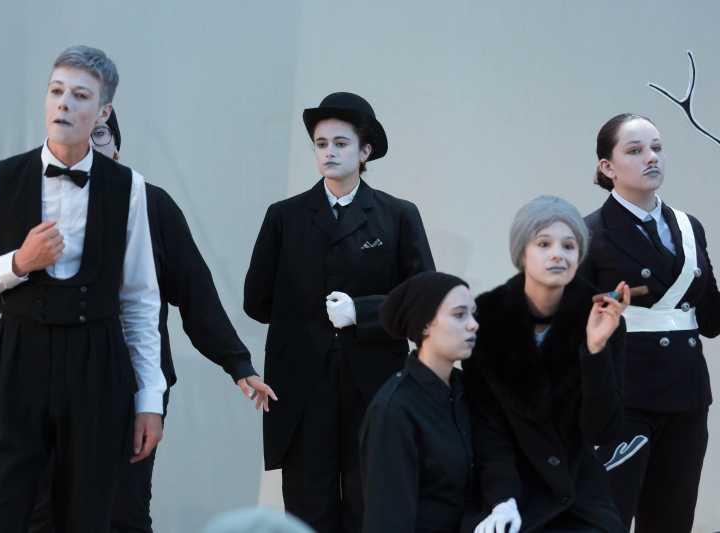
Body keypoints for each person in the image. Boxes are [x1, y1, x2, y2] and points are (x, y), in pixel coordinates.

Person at [0, 107, 274, 533]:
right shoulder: (41, 203)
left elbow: (195, 292)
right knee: (41, 509)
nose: (88, 143)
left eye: (99, 134)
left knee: (121, 511)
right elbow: (9, 298)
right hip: (49, 378)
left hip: (130, 383)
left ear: (117, 147)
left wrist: (237, 363)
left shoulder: (149, 202)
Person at [0, 45, 164, 533]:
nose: (63, 103)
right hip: (20, 356)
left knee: (86, 514)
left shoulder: (130, 187)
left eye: (80, 95)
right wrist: (18, 263)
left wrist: (150, 399)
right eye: (56, 91)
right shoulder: (0, 178)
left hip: (97, 362)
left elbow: (140, 298)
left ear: (103, 112)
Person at [244, 92, 435, 533]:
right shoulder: (285, 216)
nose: (329, 152)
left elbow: (424, 301)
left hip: (373, 384)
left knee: (371, 504)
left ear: (365, 151)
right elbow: (256, 301)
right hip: (302, 387)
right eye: (321, 143)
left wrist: (363, 312)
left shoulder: (397, 216)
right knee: (307, 508)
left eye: (341, 143)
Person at [581, 113, 720, 533]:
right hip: (623, 399)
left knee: (672, 520)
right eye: (636, 150)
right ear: (608, 167)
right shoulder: (588, 233)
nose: (651, 157)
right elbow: (574, 330)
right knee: (609, 519)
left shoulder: (689, 227)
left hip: (687, 397)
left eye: (657, 148)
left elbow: (711, 319)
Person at [463, 195, 628, 533]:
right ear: (522, 253)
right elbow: (488, 428)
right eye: (543, 243)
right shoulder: (486, 318)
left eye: (569, 246)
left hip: (579, 492)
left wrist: (595, 350)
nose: (558, 254)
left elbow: (603, 430)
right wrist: (503, 499)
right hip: (512, 488)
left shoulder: (603, 318)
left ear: (579, 256)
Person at [360, 272, 477, 533]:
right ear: (425, 325)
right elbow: (388, 520)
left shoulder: (470, 391)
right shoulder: (394, 410)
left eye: (473, 314)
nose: (473, 325)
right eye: (459, 315)